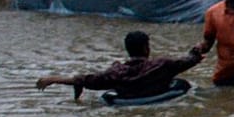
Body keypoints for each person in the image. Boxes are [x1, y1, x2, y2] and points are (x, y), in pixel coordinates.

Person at [37, 30, 202, 102]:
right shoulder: (163, 65)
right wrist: (196, 51)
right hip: (160, 99)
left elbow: (87, 79)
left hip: (128, 101)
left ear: (128, 49)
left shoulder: (116, 73)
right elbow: (189, 61)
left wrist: (54, 79)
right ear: (146, 48)